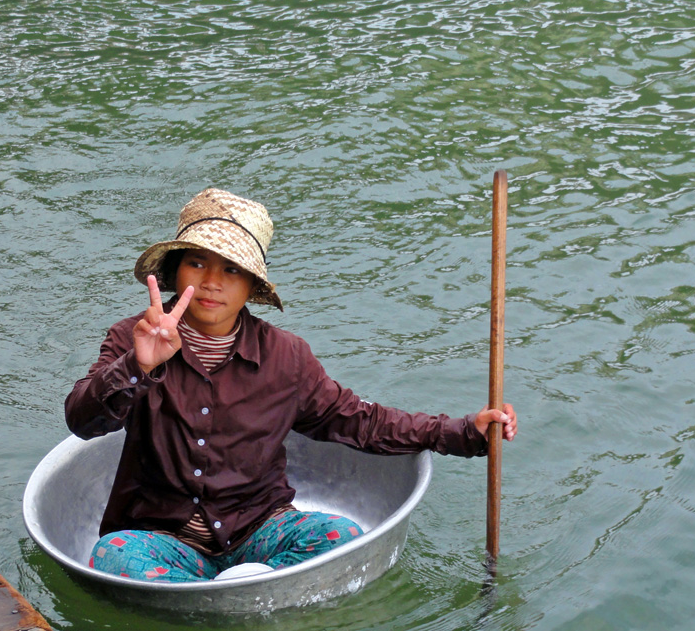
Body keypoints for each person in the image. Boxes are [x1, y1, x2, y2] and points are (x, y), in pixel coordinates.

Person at [65, 188, 517, 582]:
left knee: (342, 538)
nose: (211, 283)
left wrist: (464, 432)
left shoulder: (285, 356)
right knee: (113, 556)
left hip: (259, 529)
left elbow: (361, 422)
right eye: (197, 263)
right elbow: (83, 421)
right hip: (160, 538)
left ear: (250, 287)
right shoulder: (133, 336)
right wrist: (135, 367)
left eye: (232, 270)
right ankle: (216, 596)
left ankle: (243, 588)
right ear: (175, 270)